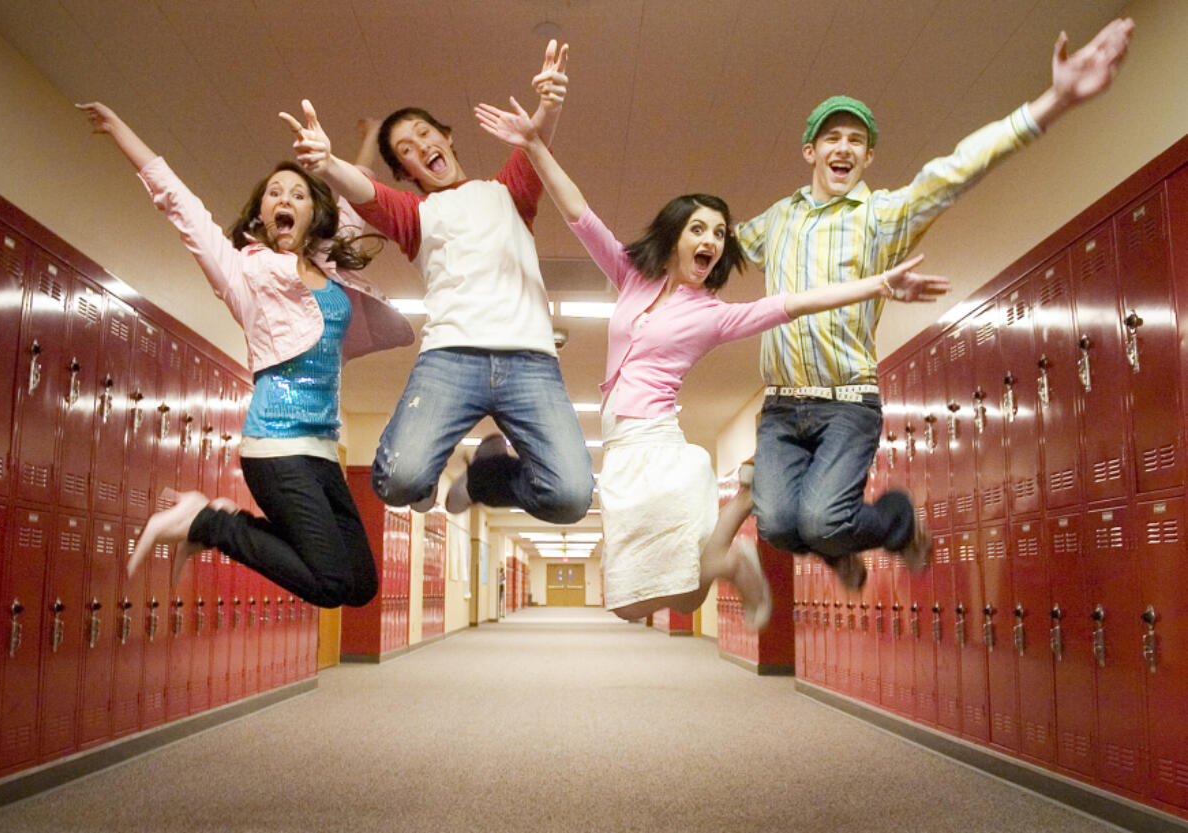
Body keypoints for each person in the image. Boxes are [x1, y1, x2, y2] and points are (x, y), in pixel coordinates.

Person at [473, 97, 949, 627]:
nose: (712, 241)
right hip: (623, 452)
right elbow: (578, 212)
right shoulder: (633, 277)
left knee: (653, 598)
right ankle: (737, 528)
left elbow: (796, 302)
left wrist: (880, 283)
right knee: (655, 604)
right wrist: (535, 144)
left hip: (658, 450)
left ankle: (736, 539)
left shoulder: (712, 315)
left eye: (720, 234)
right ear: (675, 235)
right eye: (699, 229)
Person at [736, 18, 1135, 589]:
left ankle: (896, 521)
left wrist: (1053, 102)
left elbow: (955, 171)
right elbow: (712, 249)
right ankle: (836, 547)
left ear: (868, 158)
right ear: (810, 151)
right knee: (776, 524)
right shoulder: (777, 220)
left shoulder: (882, 216)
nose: (844, 147)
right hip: (781, 407)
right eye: (833, 137)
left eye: (857, 140)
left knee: (822, 518)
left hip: (847, 402)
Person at [77, 101, 414, 607]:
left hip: (321, 449)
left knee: (360, 586)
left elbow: (350, 193)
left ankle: (210, 523)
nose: (286, 199)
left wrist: (365, 136)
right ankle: (205, 522)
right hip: (275, 447)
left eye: (298, 194)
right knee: (328, 585)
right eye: (275, 193)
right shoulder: (245, 274)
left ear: (312, 215)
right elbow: (180, 206)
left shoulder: (328, 265)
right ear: (261, 212)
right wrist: (123, 130)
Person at [280, 40, 594, 524]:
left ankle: (485, 479)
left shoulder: (507, 192)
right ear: (406, 172)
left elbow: (534, 145)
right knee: (398, 481)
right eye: (406, 150)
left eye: (425, 134)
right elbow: (366, 194)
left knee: (571, 496)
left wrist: (549, 105)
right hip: (452, 357)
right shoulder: (416, 214)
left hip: (530, 359)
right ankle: (434, 476)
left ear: (446, 137)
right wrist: (327, 164)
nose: (421, 147)